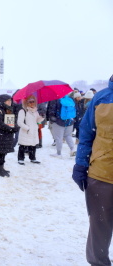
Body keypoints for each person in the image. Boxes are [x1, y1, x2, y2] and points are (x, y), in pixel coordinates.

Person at [72, 74, 113, 266]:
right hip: (101, 173)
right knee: (100, 226)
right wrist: (80, 164)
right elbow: (87, 132)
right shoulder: (102, 98)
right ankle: (99, 263)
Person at [0, 94, 19, 177]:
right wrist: (10, 129)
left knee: (4, 152)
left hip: (6, 135)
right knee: (0, 152)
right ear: (2, 102)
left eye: (10, 101)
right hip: (1, 135)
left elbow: (10, 122)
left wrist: (15, 127)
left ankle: (2, 168)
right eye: (8, 101)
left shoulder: (8, 110)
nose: (10, 102)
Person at [16, 95, 44, 165]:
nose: (32, 103)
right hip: (26, 131)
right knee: (23, 145)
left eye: (33, 102)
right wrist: (27, 128)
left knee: (33, 145)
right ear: (26, 103)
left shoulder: (35, 111)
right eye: (30, 102)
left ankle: (33, 158)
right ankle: (20, 159)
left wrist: (42, 117)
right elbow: (19, 122)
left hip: (34, 131)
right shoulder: (23, 111)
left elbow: (37, 120)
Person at [46, 93, 77, 158]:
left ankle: (59, 153)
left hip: (58, 121)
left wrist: (50, 119)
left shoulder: (54, 99)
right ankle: (72, 149)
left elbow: (51, 111)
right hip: (69, 120)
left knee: (58, 138)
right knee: (68, 135)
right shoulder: (69, 99)